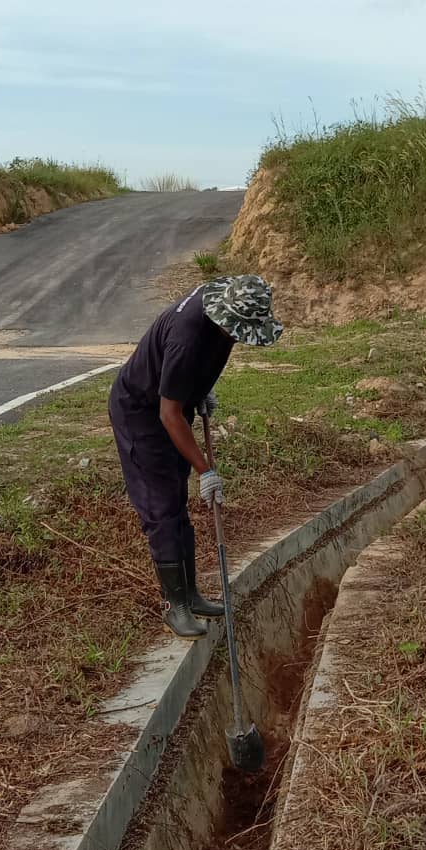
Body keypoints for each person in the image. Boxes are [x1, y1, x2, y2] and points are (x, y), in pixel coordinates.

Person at [108, 274, 283, 640]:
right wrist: (206, 469)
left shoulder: (219, 304)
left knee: (177, 502)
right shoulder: (187, 339)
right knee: (162, 509)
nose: (238, 337)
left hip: (172, 403)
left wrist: (200, 388)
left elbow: (211, 355)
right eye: (238, 329)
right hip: (143, 412)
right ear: (226, 318)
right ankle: (176, 606)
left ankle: (191, 594)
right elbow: (168, 414)